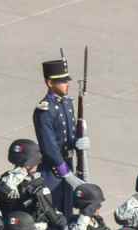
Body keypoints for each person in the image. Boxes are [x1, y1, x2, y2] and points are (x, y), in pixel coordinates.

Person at [33, 58, 89, 217]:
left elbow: (68, 135)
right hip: (53, 171)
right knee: (54, 212)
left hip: (68, 164)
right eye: (62, 81)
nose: (67, 84)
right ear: (50, 83)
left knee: (68, 211)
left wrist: (77, 142)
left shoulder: (66, 103)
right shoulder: (44, 110)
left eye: (66, 80)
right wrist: (65, 172)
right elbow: (49, 146)